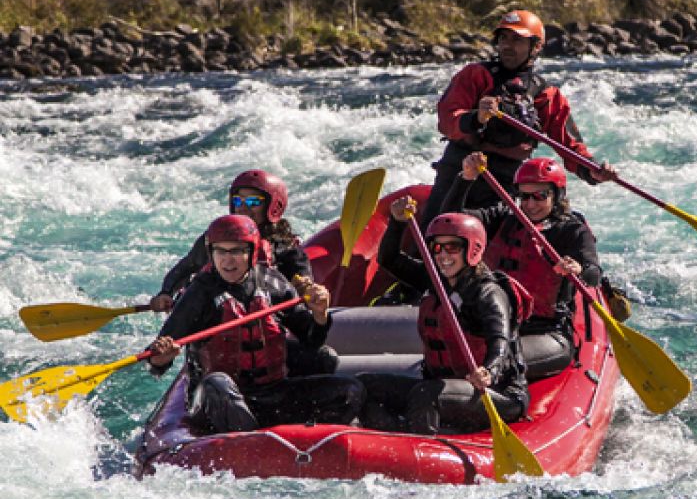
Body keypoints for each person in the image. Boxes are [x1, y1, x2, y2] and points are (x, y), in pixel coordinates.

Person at [146, 214, 364, 434]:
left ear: (252, 252)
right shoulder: (198, 294)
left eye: (237, 251)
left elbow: (312, 339)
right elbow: (156, 360)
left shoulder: (274, 284)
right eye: (220, 251)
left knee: (349, 390)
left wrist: (319, 315)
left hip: (269, 393)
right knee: (216, 384)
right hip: (219, 400)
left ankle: (307, 439)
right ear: (211, 253)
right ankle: (251, 443)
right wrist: (160, 358)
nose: (227, 260)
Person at [423, 9, 616, 230]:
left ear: (535, 46)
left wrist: (592, 170)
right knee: (436, 229)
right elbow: (448, 121)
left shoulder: (546, 95)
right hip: (459, 169)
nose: (507, 45)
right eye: (503, 38)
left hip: (504, 180)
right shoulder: (475, 75)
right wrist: (476, 117)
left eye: (516, 39)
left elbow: (569, 146)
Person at [357, 204, 530, 434]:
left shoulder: (488, 293)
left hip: (496, 392)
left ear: (473, 249)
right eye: (437, 248)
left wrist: (489, 370)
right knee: (366, 385)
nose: (443, 255)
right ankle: (390, 441)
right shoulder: (434, 281)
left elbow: (500, 339)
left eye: (452, 247)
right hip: (442, 386)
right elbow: (389, 259)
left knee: (426, 394)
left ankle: (421, 451)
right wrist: (397, 223)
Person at [149, 169, 337, 375]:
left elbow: (302, 279)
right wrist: (166, 292)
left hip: (265, 331)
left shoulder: (279, 262)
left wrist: (310, 295)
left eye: (253, 203)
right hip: (219, 346)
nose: (244, 209)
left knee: (324, 358)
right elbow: (185, 267)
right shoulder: (210, 263)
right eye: (239, 202)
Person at [441, 152, 602, 379]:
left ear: (556, 195)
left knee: (489, 360)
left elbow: (593, 274)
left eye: (539, 196)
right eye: (524, 197)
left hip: (546, 332)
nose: (530, 204)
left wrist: (578, 269)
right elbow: (452, 221)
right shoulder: (503, 217)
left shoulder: (572, 231)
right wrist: (465, 178)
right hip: (494, 325)